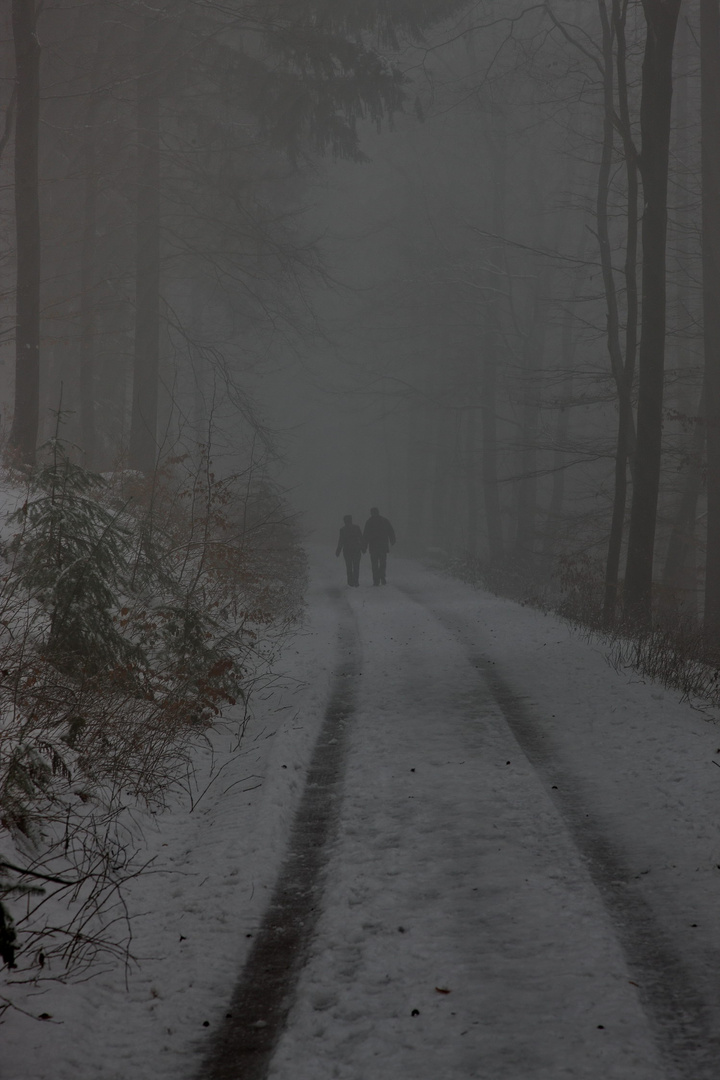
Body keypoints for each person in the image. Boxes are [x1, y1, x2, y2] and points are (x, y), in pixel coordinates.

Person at [362, 506, 396, 585]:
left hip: (373, 547)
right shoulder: (384, 521)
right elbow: (390, 531)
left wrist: (364, 546)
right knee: (382, 563)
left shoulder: (369, 522)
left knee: (375, 564)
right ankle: (382, 577)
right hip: (382, 546)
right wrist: (392, 540)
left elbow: (365, 535)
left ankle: (376, 579)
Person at [335, 514, 364, 586]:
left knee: (349, 567)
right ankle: (356, 581)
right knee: (356, 566)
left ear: (345, 521)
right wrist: (363, 547)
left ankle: (350, 582)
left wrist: (338, 550)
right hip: (356, 550)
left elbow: (341, 541)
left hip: (347, 551)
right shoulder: (357, 528)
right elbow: (361, 538)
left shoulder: (343, 530)